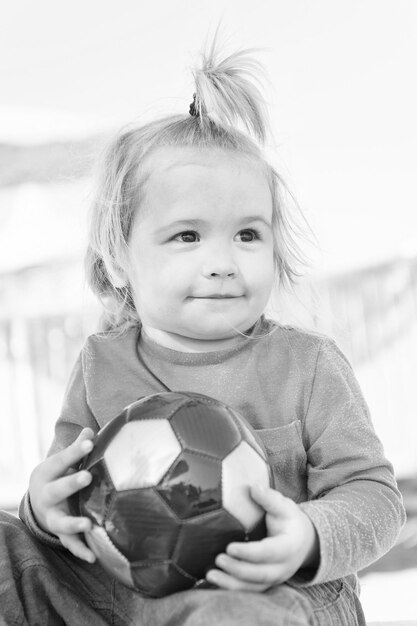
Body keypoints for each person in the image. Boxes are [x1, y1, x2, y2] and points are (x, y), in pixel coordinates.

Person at [0, 37, 405, 626]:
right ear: (118, 260)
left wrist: (310, 536)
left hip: (264, 592)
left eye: (247, 235)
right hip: (120, 592)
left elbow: (375, 498)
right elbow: (68, 490)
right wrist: (43, 508)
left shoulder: (306, 365)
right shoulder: (100, 364)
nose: (223, 261)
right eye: (188, 236)